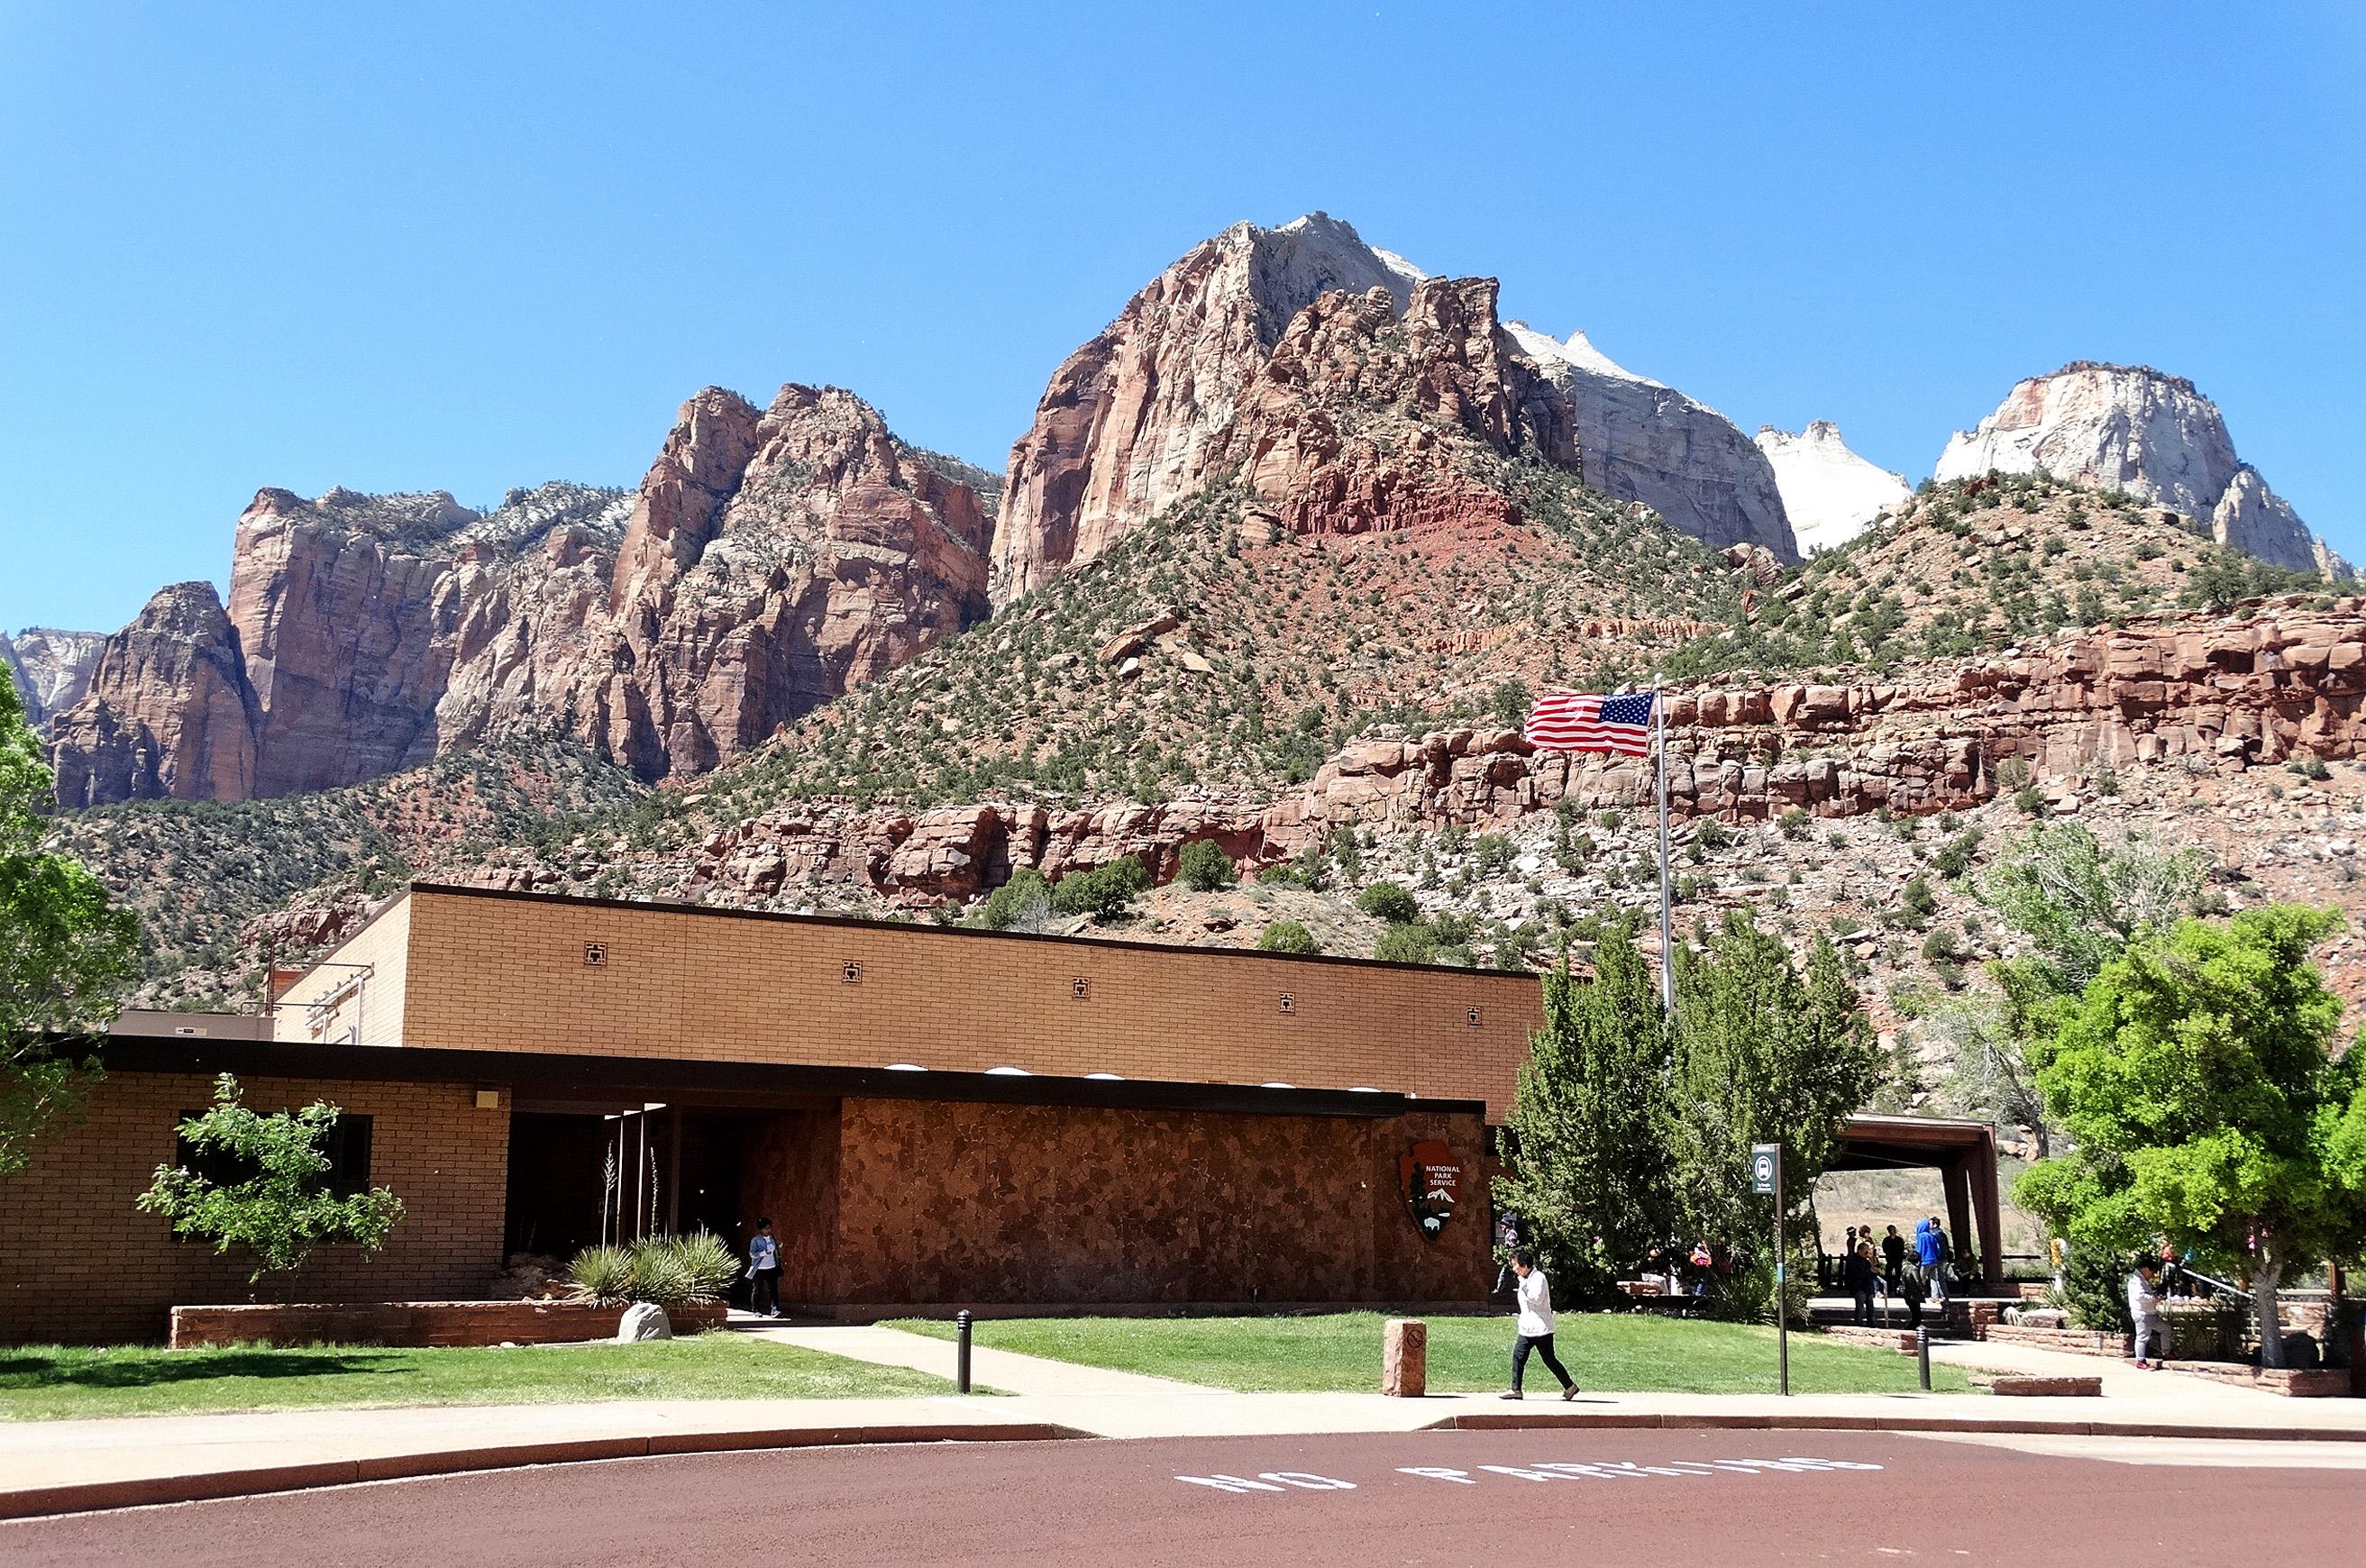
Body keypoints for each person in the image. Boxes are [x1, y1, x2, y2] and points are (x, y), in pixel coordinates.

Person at [1500, 1251, 1578, 1401]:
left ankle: (1570, 1387)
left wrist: (1523, 1286)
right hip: (1527, 1329)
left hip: (1541, 1328)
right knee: (1518, 1356)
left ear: (1525, 1265)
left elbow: (1537, 1298)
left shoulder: (1539, 1278)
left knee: (1549, 1359)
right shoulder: (1524, 1279)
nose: (1514, 1269)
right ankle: (1516, 1390)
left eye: (1516, 1265)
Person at [2129, 1258, 2170, 1369]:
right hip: (2142, 1313)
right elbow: (2140, 1296)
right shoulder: (2136, 1280)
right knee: (2142, 1337)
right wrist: (2154, 1299)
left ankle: (2166, 1352)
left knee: (2166, 1328)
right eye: (2151, 1272)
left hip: (2150, 1312)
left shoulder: (2141, 1280)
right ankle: (2140, 1360)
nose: (2151, 1275)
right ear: (2146, 1269)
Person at [746, 1217, 782, 1318]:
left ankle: (775, 1309)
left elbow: (775, 1250)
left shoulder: (772, 1238)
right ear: (761, 1229)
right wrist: (763, 1253)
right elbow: (752, 1254)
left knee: (773, 1290)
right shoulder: (755, 1240)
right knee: (757, 1290)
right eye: (766, 1228)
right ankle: (755, 1310)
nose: (769, 1230)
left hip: (772, 1267)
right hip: (759, 1268)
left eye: (770, 1228)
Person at [1846, 1240, 1878, 1326]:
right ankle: (1858, 1322)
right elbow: (1854, 1274)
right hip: (1858, 1286)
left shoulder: (1866, 1261)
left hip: (1867, 1286)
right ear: (1860, 1250)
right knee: (1860, 1306)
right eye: (1866, 1251)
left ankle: (1871, 1322)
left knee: (1870, 1306)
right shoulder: (1853, 1260)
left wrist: (1873, 1269)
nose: (1867, 1253)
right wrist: (1868, 1271)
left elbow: (1872, 1273)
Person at [1916, 1217, 1947, 1305]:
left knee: (1921, 1279)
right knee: (1933, 1279)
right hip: (1934, 1260)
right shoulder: (1931, 1236)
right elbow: (1938, 1249)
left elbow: (1919, 1250)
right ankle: (1935, 1297)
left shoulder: (1921, 1237)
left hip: (1925, 1261)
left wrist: (1918, 1259)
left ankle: (1920, 1295)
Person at [1881, 1224, 1906, 1298]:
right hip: (1890, 1260)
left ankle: (1897, 1290)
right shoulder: (1886, 1240)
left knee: (1898, 1275)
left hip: (1898, 1260)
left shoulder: (1899, 1239)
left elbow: (1902, 1248)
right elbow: (1885, 1249)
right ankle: (1889, 1290)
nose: (1892, 1231)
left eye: (1893, 1229)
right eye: (1891, 1230)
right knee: (1888, 1275)